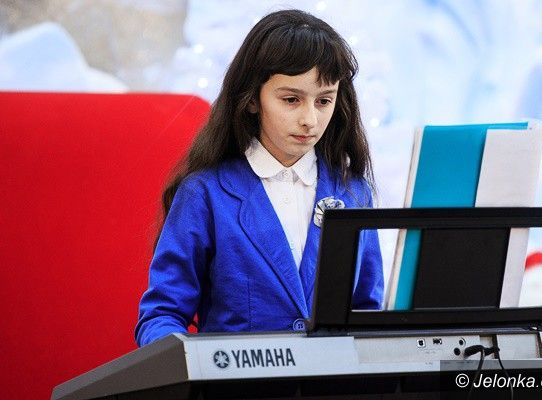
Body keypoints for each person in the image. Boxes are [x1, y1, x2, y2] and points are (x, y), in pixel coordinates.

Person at [135, 9, 383, 347]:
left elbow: (366, 314)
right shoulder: (204, 194)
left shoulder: (355, 192)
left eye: (324, 100)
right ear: (252, 99)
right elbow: (161, 315)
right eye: (291, 99)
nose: (310, 119)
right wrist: (188, 367)